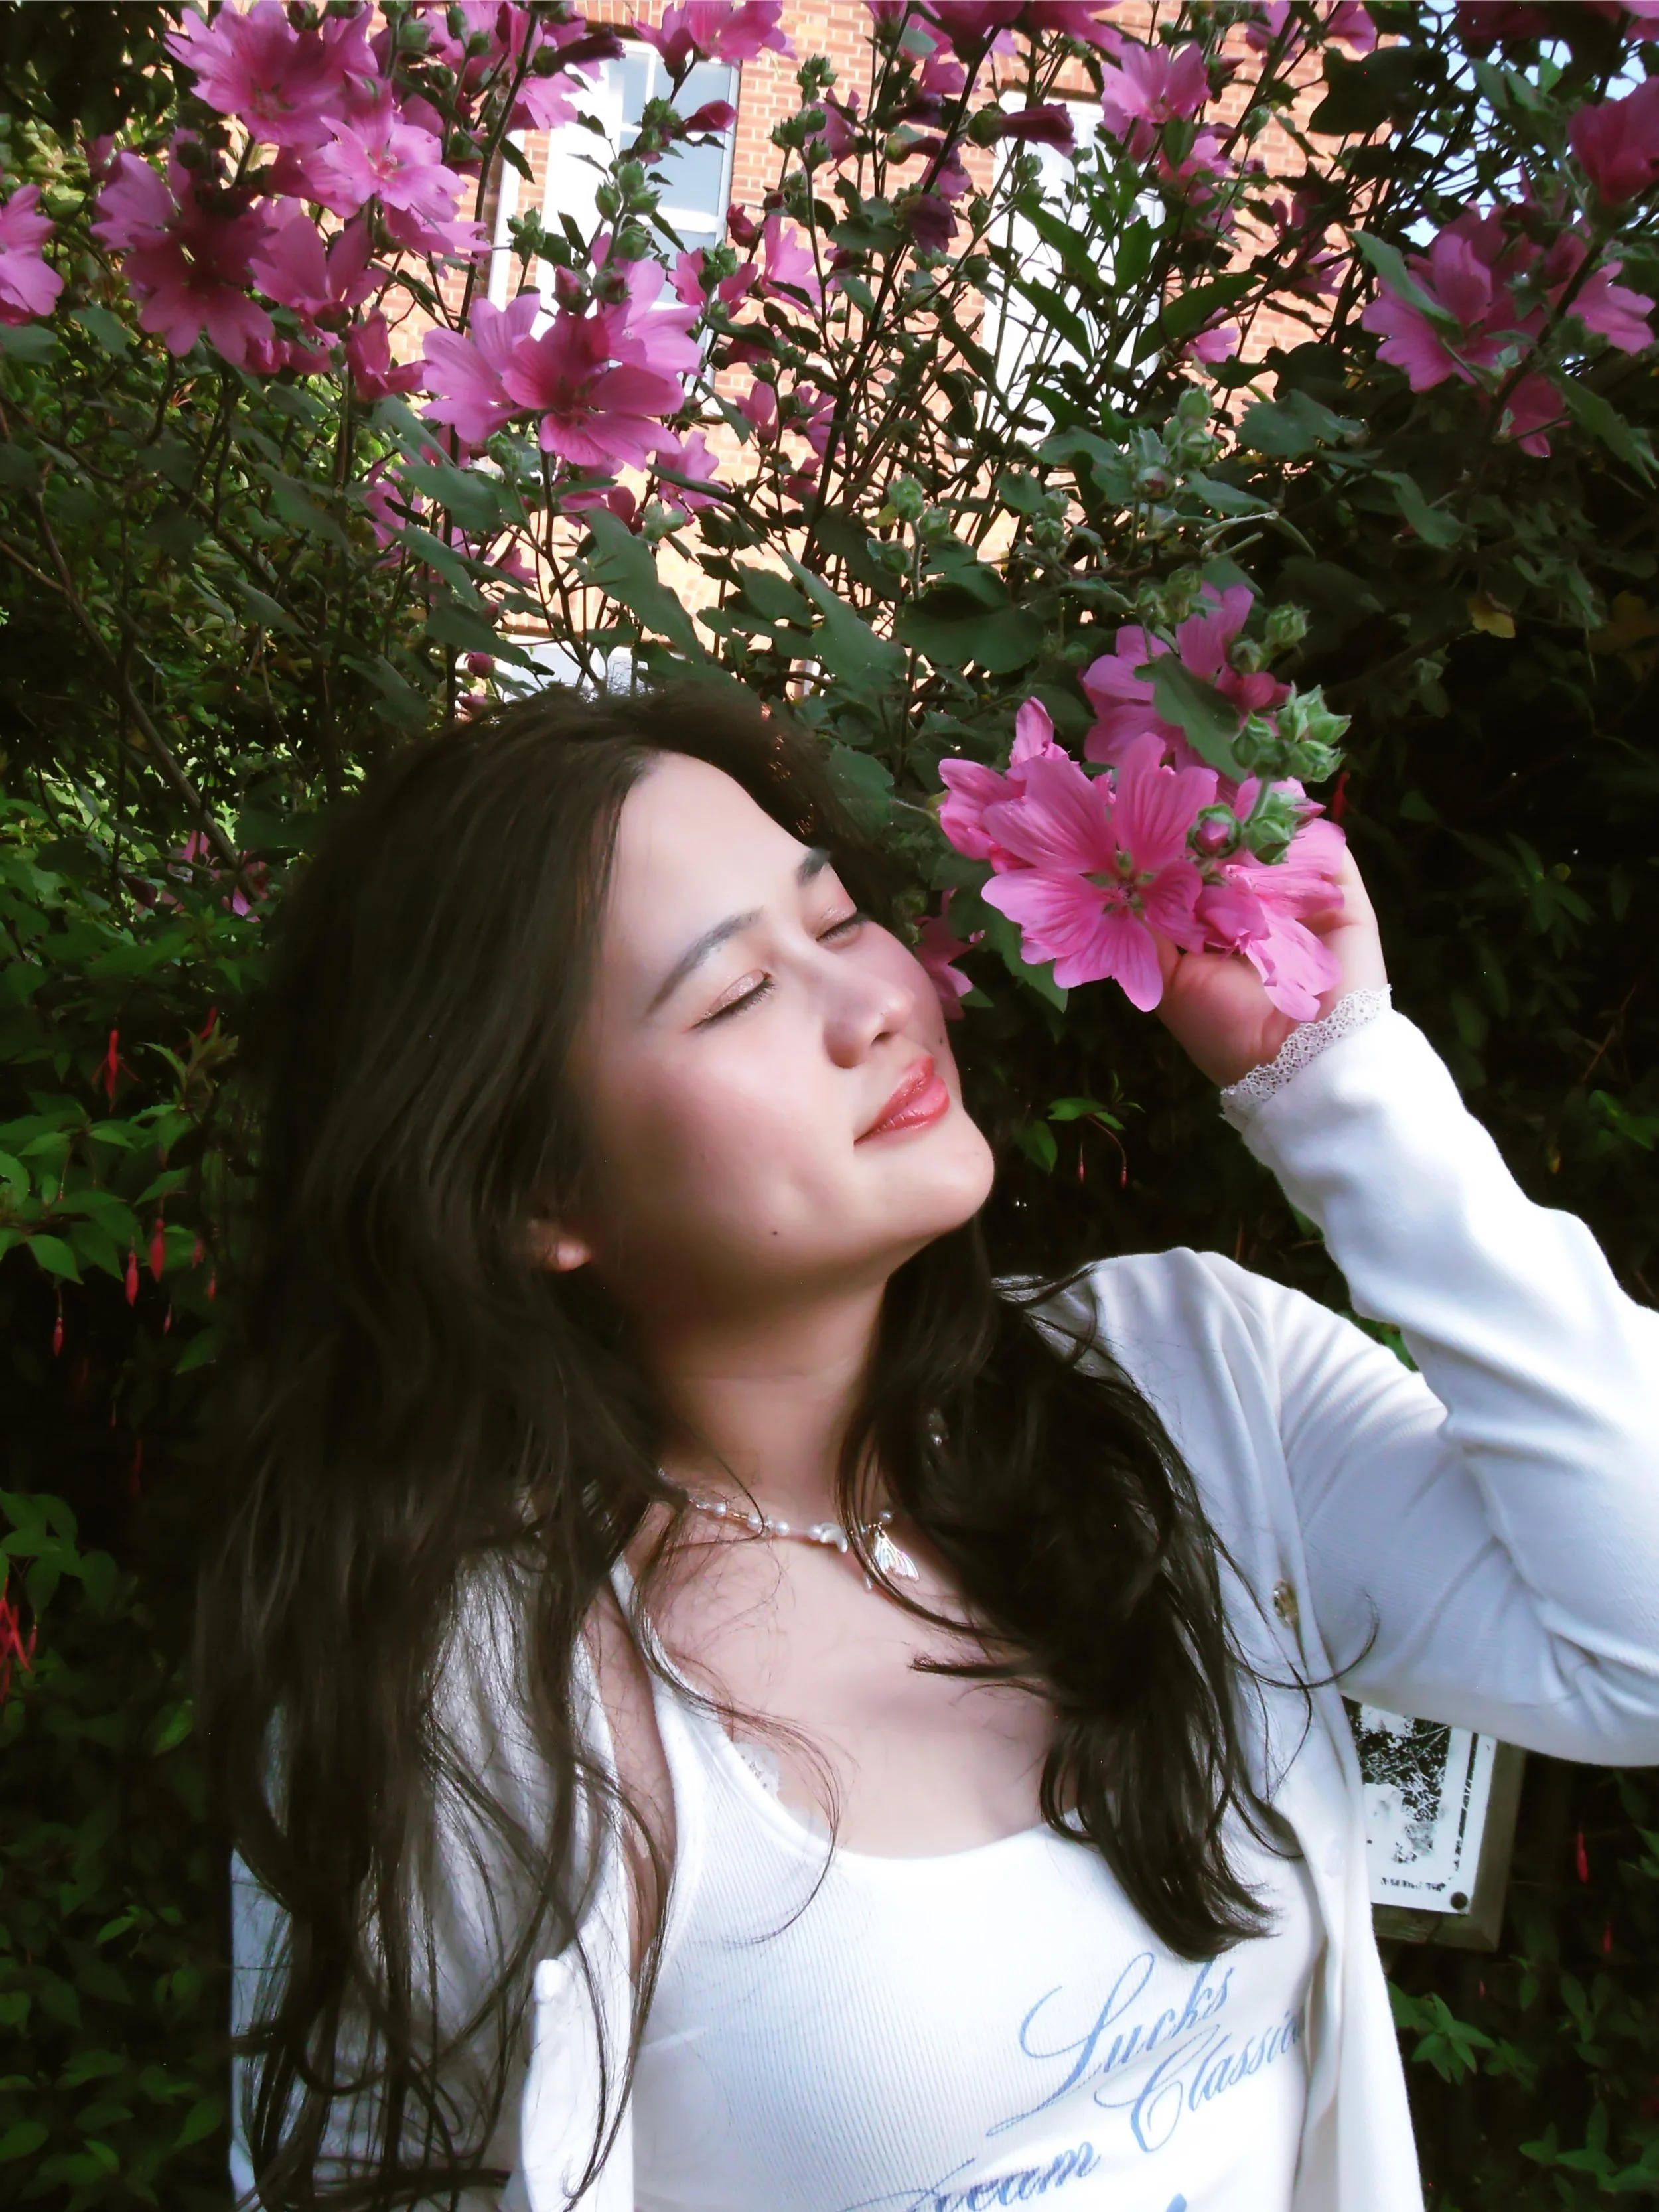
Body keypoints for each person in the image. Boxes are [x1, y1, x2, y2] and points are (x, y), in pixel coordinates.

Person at [203, 678, 1659, 2212]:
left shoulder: (1191, 1387)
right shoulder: (472, 1695)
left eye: (835, 923)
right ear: (529, 1191)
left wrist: (1338, 1077)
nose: (877, 1002)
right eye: (731, 996)